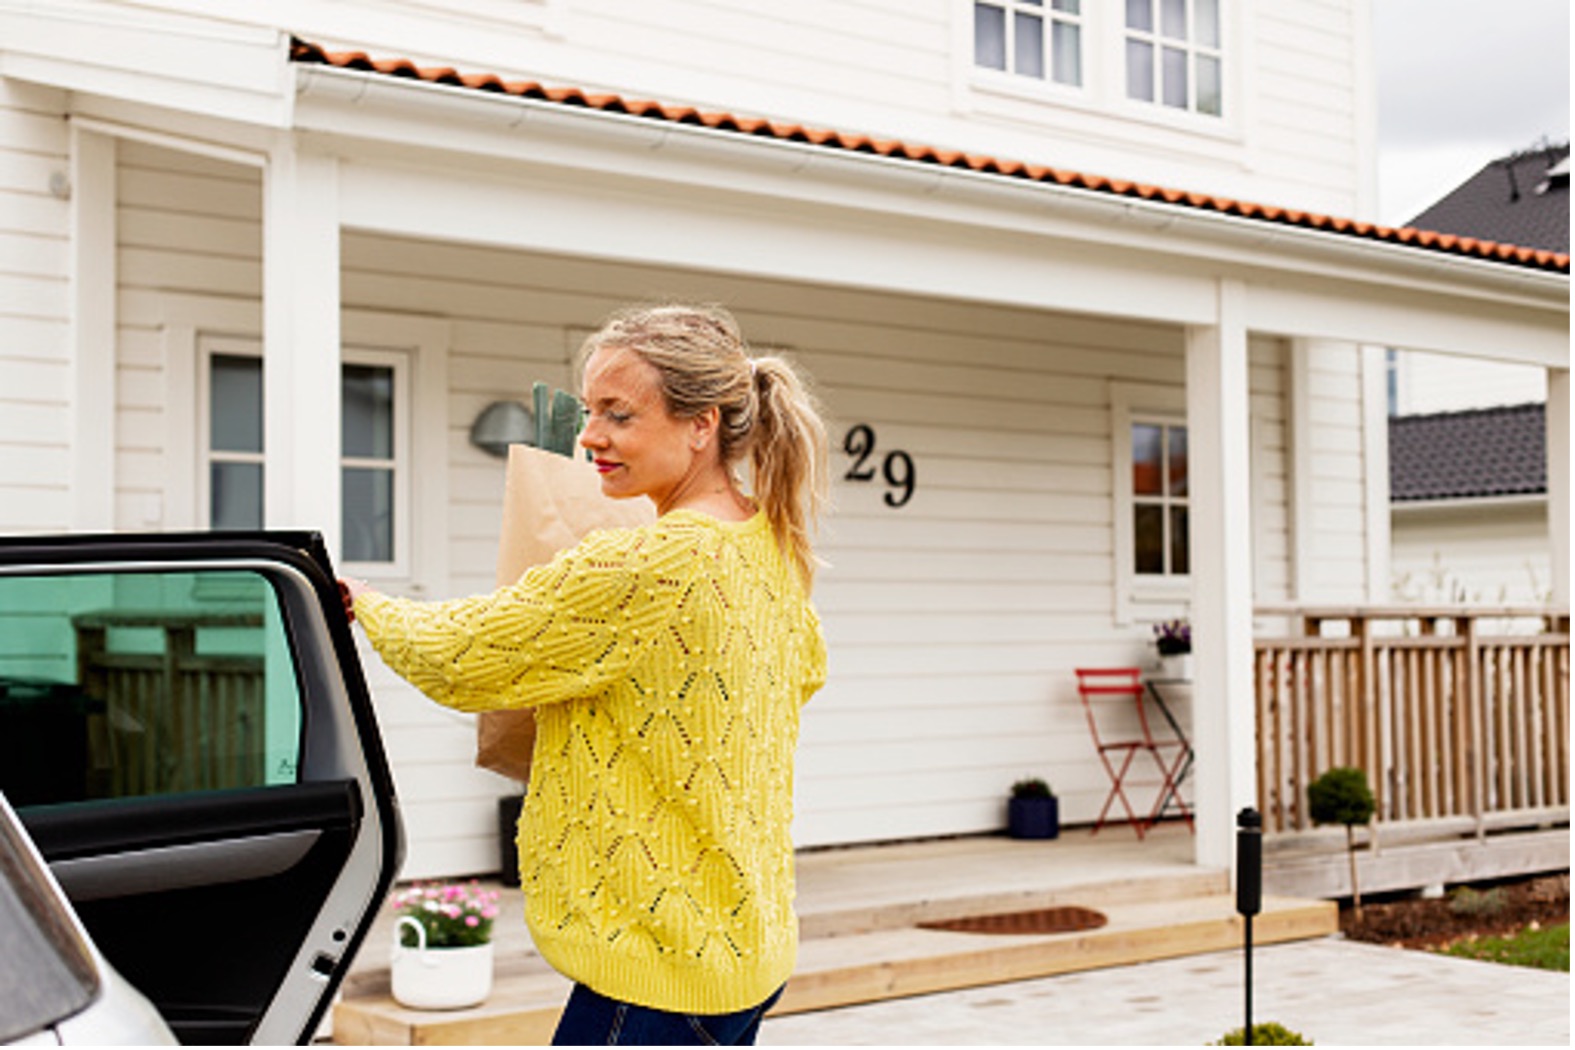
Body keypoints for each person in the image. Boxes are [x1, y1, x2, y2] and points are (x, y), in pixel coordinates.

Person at [341, 303, 829, 1046]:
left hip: (656, 971)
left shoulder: (653, 562)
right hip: (741, 948)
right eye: (590, 410)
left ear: (701, 425)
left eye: (618, 414)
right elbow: (803, 673)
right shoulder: (768, 544)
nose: (590, 435)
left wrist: (368, 604)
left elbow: (460, 655)